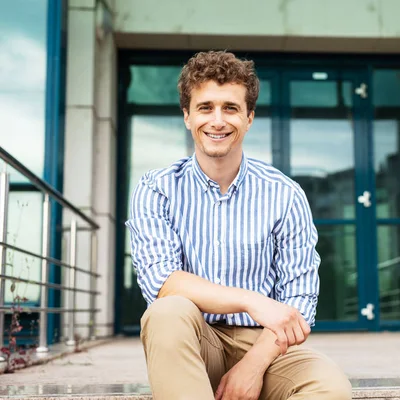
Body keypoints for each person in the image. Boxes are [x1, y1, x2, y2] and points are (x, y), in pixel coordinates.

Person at [125, 51, 352, 400]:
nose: (218, 120)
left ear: (249, 118)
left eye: (230, 108)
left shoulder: (284, 194)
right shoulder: (157, 188)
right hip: (192, 341)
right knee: (166, 312)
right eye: (205, 108)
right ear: (187, 116)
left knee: (329, 387)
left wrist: (252, 366)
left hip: (264, 344)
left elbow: (300, 299)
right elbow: (162, 281)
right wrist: (250, 301)